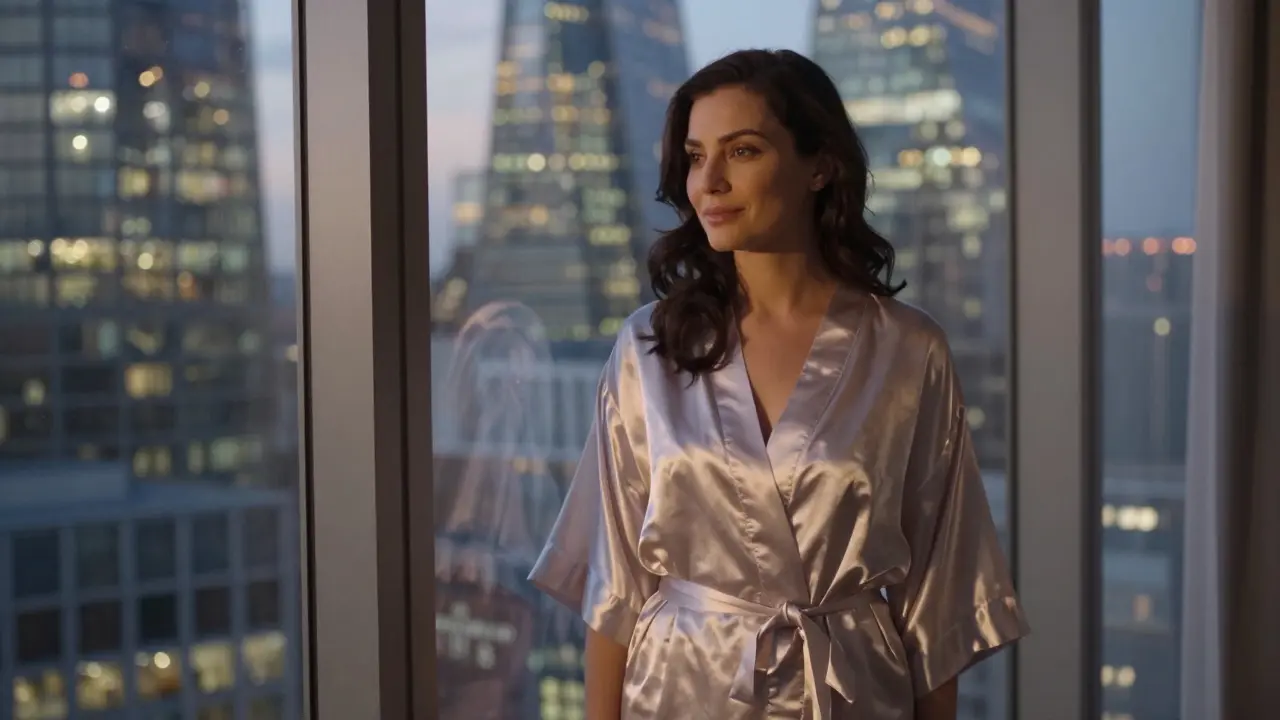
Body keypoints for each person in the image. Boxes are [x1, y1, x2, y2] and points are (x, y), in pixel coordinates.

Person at [528, 49, 1030, 720]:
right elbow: (613, 588)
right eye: (695, 154)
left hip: (851, 693)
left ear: (820, 166)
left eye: (742, 151)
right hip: (679, 690)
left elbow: (938, 599)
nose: (709, 181)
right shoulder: (650, 347)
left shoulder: (909, 351)